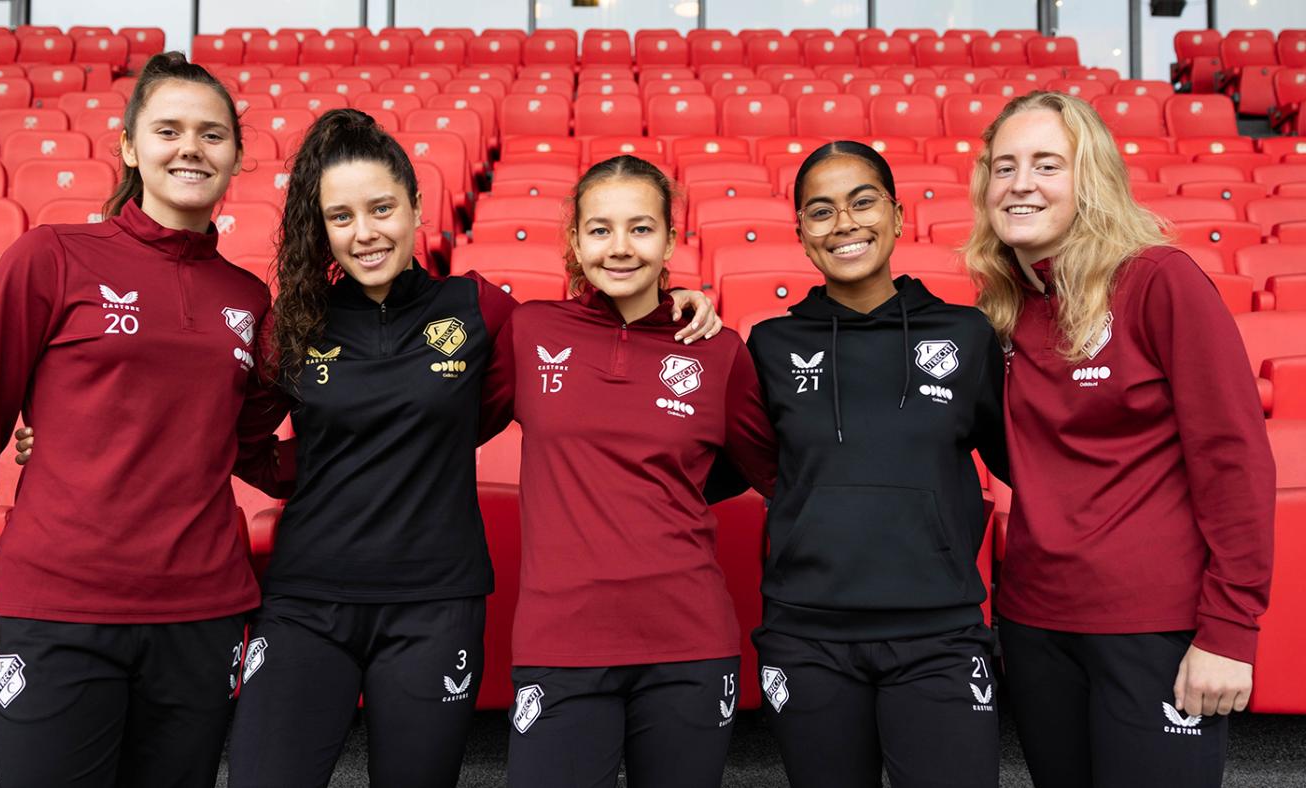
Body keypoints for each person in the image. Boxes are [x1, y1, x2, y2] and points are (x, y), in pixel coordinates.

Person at [147, 109, 719, 787]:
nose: (365, 233)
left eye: (382, 208)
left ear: (416, 206)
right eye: (342, 217)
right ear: (322, 228)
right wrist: (322, 468)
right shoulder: (298, 320)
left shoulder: (474, 307)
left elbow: (585, 343)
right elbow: (237, 434)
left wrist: (674, 300)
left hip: (436, 605)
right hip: (308, 600)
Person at [0, 52, 274, 787]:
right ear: (130, 146)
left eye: (213, 135)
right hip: (58, 609)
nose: (191, 149)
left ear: (236, 156)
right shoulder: (51, 257)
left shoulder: (248, 297)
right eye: (169, 130)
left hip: (201, 612)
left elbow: (252, 450)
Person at [964, 90, 1275, 788]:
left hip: (1153, 627)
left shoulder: (1160, 281)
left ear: (1091, 176)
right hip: (1037, 623)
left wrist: (1230, 630)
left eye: (1047, 164)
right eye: (1004, 166)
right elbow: (1022, 455)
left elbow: (1234, 460)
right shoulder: (1005, 308)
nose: (1019, 184)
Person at [479, 155, 777, 788]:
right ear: (575, 240)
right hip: (560, 641)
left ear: (671, 239)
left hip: (689, 640)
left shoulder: (717, 350)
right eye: (600, 229)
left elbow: (774, 471)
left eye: (641, 229)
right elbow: (442, 416)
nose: (620, 248)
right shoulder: (529, 332)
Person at [744, 141, 1008, 787]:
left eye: (862, 203)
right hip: (808, 636)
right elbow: (743, 465)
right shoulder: (770, 345)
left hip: (939, 632)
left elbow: (1024, 460)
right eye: (821, 211)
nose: (845, 224)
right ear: (802, 235)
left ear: (896, 215)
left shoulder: (965, 335)